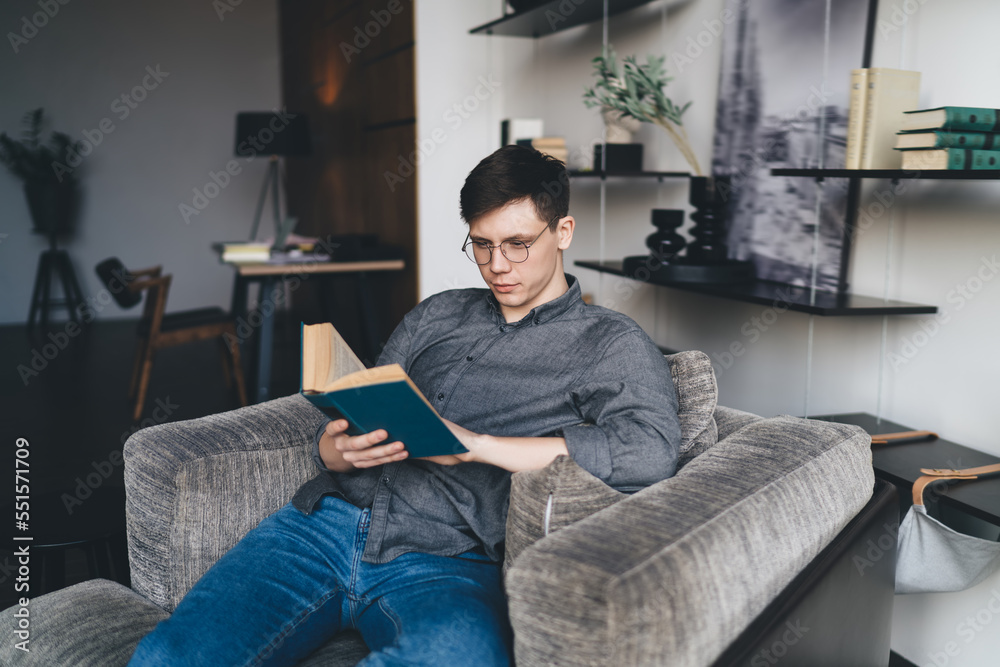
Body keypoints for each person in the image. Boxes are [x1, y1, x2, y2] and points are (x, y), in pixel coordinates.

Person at [128, 145, 681, 666]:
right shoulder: (437, 314)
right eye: (481, 245)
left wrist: (476, 447)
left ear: (562, 232)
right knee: (166, 658)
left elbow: (650, 451)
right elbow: (361, 407)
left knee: (460, 659)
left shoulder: (608, 342)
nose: (497, 265)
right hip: (321, 528)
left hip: (447, 559)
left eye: (517, 244)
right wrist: (336, 449)